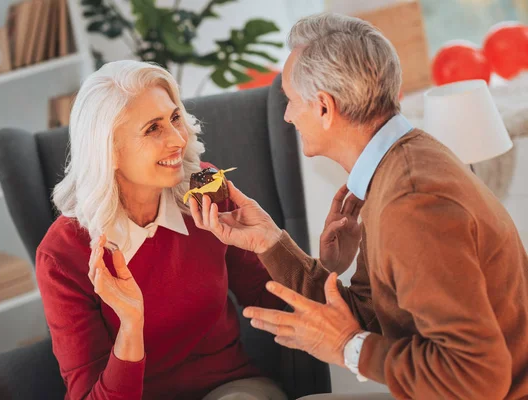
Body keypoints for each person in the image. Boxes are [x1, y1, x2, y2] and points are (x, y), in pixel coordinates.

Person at [190, 12, 528, 400]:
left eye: (290, 99)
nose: (286, 115)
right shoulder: (398, 167)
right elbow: (368, 314)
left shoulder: (412, 201)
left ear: (323, 107)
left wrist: (349, 347)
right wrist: (269, 241)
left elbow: (477, 377)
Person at [35, 60, 288, 400]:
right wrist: (131, 326)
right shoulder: (63, 255)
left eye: (174, 118)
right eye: (152, 128)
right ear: (108, 150)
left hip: (230, 388)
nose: (178, 139)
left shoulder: (206, 190)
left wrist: (288, 253)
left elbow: (269, 299)